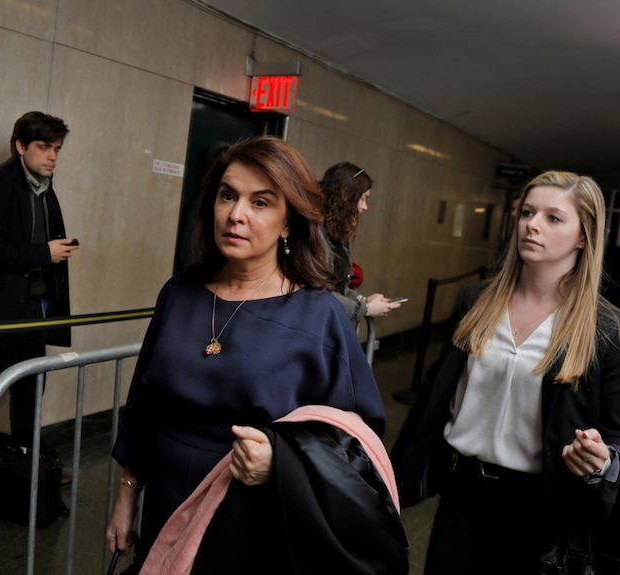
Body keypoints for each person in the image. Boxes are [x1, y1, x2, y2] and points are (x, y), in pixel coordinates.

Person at [106, 136, 406, 573]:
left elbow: (356, 444)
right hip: (167, 505)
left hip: (251, 518)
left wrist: (280, 462)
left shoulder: (319, 316)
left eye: (261, 203)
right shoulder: (179, 293)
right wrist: (127, 494)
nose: (236, 215)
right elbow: (145, 404)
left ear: (289, 223)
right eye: (228, 196)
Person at [391, 171, 620, 574]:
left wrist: (603, 458)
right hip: (462, 492)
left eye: (553, 218)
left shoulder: (610, 332)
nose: (532, 225)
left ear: (583, 236)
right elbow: (437, 394)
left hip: (540, 506)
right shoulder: (476, 301)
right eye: (527, 212)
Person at [0, 111, 79, 448]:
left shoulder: (44, 188)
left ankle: (28, 475)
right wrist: (43, 254)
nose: (52, 156)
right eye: (44, 147)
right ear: (21, 146)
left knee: (29, 396)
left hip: (32, 311)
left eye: (57, 148)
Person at [320, 161, 402, 324]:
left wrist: (363, 300)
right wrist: (365, 309)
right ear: (345, 194)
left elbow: (339, 288)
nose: (365, 207)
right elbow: (318, 293)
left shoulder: (337, 232)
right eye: (363, 198)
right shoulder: (313, 231)